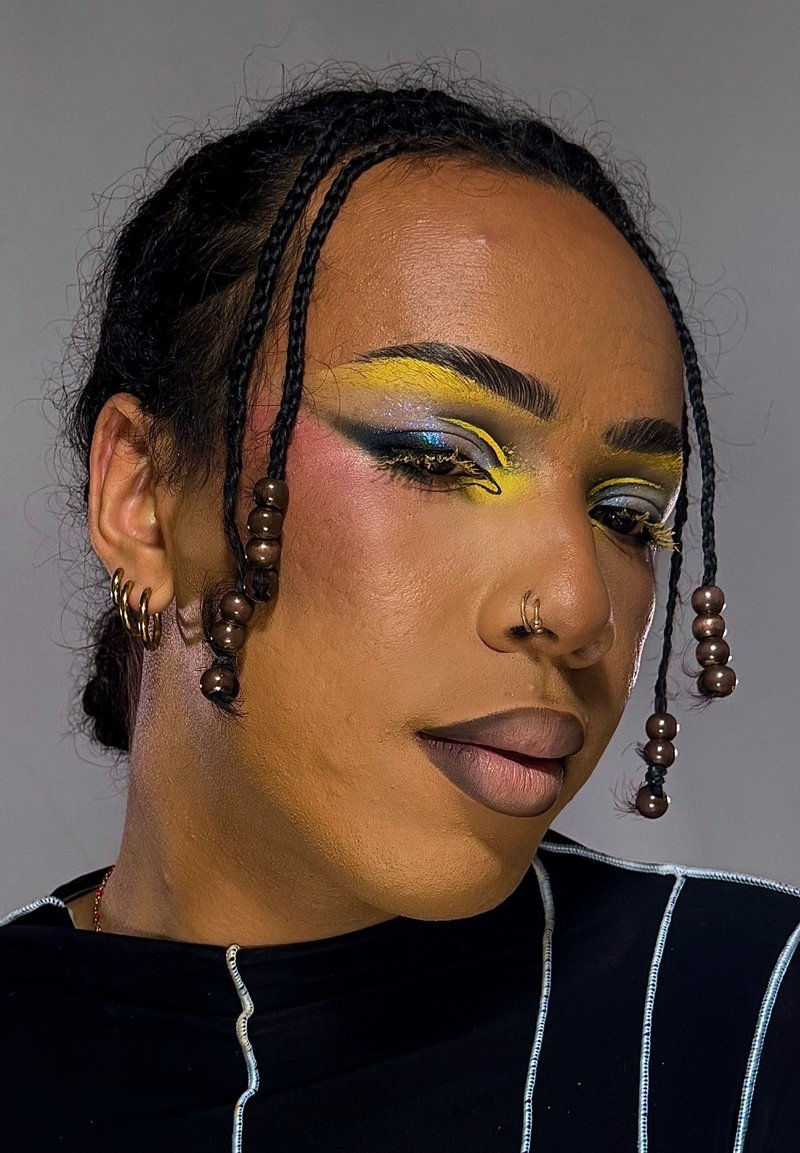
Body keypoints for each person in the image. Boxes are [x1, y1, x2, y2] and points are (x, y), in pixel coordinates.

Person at [1, 76, 798, 1153]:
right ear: (142, 499)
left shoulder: (748, 1023)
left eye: (624, 512)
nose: (574, 607)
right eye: (437, 458)